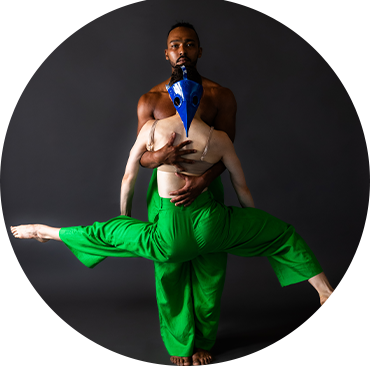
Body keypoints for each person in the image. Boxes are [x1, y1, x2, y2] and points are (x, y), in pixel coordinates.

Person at [11, 66, 362, 366]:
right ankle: (325, 291)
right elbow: (243, 189)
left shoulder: (153, 129)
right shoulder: (219, 137)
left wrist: (125, 220)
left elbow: (129, 177)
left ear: (173, 99)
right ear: (201, 100)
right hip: (211, 222)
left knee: (107, 235)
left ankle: (47, 232)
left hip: (169, 233)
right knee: (281, 235)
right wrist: (250, 231)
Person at [137, 22, 236, 365]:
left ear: (199, 51)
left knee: (210, 265)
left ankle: (205, 340)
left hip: (206, 187)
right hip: (164, 192)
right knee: (169, 266)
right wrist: (160, 157)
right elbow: (141, 158)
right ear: (166, 53)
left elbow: (228, 152)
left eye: (189, 44)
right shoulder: (151, 100)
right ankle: (181, 343)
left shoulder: (219, 96)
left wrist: (205, 181)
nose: (183, 50)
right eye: (175, 45)